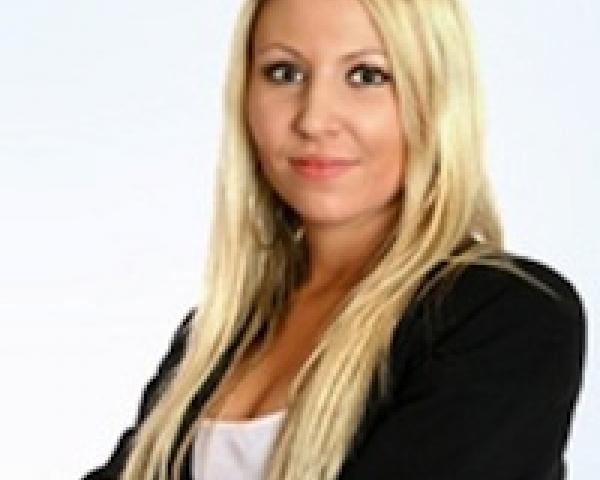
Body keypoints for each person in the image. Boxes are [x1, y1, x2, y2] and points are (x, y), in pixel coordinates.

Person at [83, 0, 587, 479]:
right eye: (284, 72)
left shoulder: (508, 317)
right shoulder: (215, 335)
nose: (313, 119)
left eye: (367, 75)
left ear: (435, 97)